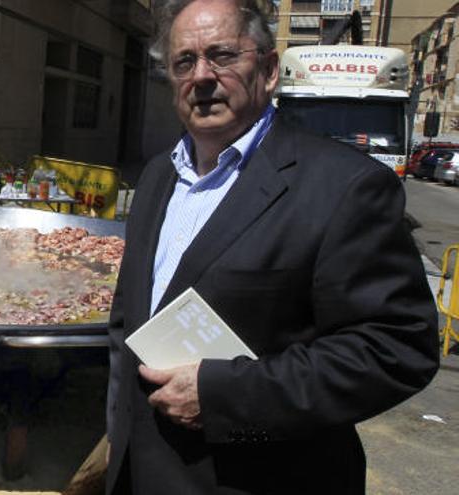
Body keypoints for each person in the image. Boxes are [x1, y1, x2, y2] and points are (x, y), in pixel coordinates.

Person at [105, 1, 439, 494]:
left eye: (221, 56)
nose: (201, 76)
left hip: (261, 478)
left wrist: (226, 397)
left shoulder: (345, 186)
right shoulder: (156, 176)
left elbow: (396, 348)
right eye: (184, 62)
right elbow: (127, 323)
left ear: (267, 70)